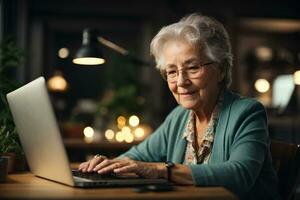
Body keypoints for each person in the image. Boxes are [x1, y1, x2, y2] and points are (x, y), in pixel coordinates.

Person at [79, 13, 280, 200]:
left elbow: (239, 175)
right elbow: (137, 157)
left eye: (192, 68)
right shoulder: (179, 116)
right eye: (172, 72)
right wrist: (106, 165)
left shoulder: (247, 112)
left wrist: (161, 170)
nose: (181, 81)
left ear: (221, 69)